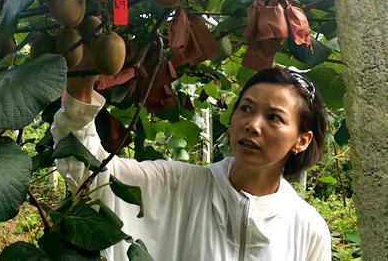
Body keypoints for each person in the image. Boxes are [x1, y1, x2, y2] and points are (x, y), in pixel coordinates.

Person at [51, 66, 331, 261]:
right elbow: (92, 171)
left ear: (302, 140)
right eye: (246, 108)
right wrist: (80, 91)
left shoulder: (308, 228)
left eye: (274, 118)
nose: (253, 125)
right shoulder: (176, 185)